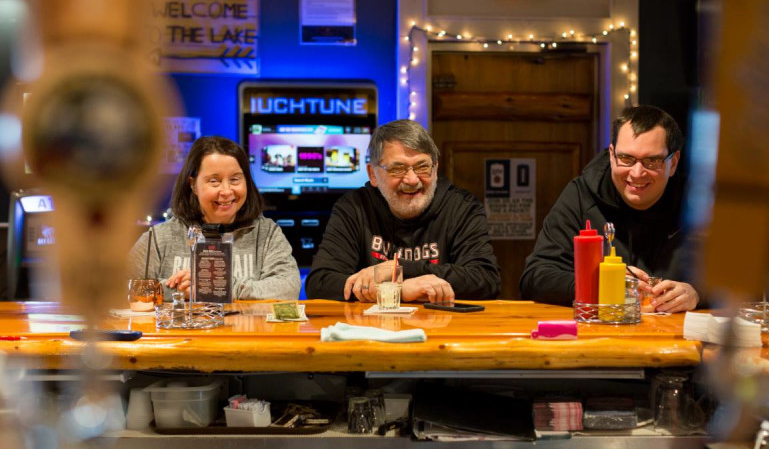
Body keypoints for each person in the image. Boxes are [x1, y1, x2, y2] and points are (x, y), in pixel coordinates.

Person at [519, 105, 704, 313]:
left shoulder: (698, 201)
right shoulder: (580, 195)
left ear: (674, 162)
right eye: (626, 158)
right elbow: (534, 278)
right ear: (611, 155)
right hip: (601, 337)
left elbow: (745, 278)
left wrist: (697, 292)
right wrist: (599, 285)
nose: (636, 173)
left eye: (652, 161)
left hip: (679, 340)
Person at [305, 119, 500, 302]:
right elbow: (320, 283)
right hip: (370, 333)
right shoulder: (354, 208)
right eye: (398, 169)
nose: (412, 179)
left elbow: (486, 280)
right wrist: (401, 290)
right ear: (373, 174)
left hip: (443, 329)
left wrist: (397, 269)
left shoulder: (462, 207)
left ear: (435, 167)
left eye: (422, 167)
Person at [128, 136, 301, 300]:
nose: (226, 191)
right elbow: (120, 286)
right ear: (193, 185)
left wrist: (221, 286)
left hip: (245, 331)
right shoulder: (160, 237)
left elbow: (289, 287)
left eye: (235, 180)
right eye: (214, 181)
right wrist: (179, 290)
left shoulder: (266, 233)